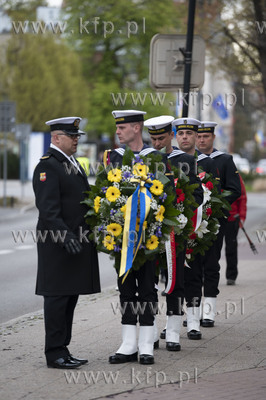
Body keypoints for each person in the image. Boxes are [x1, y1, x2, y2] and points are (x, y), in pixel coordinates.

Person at [33, 117, 101, 369]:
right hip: (57, 244)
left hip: (75, 242)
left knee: (69, 297)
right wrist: (65, 236)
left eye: (77, 136)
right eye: (71, 136)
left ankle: (64, 348)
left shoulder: (71, 163)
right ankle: (54, 353)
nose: (76, 140)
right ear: (56, 138)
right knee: (57, 298)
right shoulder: (48, 166)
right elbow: (48, 210)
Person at [105, 109, 168, 365]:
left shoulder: (156, 158)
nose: (117, 132)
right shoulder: (113, 157)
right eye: (117, 128)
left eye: (122, 128)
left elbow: (167, 195)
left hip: (149, 238)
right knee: (126, 288)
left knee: (147, 289)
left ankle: (146, 344)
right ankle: (128, 342)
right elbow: (105, 194)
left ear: (136, 128)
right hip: (123, 239)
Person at [144, 115, 203, 351]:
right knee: (148, 282)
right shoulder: (145, 159)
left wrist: (180, 208)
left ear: (171, 135)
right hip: (150, 232)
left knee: (175, 280)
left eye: (161, 138)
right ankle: (149, 330)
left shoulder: (185, 160)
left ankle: (174, 331)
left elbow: (197, 195)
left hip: (174, 232)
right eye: (153, 138)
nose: (157, 143)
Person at [174, 117, 220, 340]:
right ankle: (172, 320)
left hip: (199, 228)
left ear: (195, 136)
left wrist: (208, 220)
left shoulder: (207, 163)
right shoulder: (170, 160)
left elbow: (216, 194)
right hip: (176, 230)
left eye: (189, 134)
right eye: (181, 134)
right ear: (176, 136)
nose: (185, 137)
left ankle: (193, 321)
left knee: (195, 274)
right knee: (172, 276)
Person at [196, 121, 241, 327]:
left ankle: (209, 312)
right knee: (192, 267)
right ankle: (192, 310)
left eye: (205, 136)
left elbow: (234, 189)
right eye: (199, 136)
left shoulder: (224, 160)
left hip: (214, 220)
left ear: (213, 138)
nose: (201, 140)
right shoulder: (190, 159)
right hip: (192, 222)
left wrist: (215, 204)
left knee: (211, 263)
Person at [225, 173, 247, 285]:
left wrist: (242, 216)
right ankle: (205, 274)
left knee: (231, 247)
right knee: (211, 249)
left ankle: (231, 276)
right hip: (216, 217)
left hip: (232, 218)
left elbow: (242, 197)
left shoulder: (236, 176)